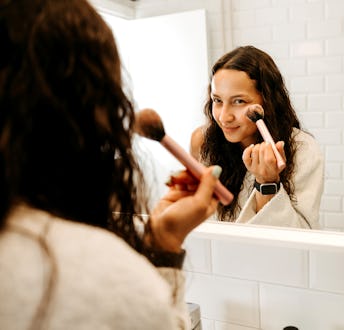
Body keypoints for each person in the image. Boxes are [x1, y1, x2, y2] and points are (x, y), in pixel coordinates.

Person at [0, 1, 220, 329]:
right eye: (217, 100)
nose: (227, 114)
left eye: (240, 101)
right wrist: (163, 253)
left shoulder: (294, 149)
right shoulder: (102, 277)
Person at [191, 46, 324, 229]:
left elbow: (301, 235)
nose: (224, 117)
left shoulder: (302, 149)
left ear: (267, 101)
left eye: (239, 101)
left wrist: (268, 183)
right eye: (218, 100)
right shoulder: (206, 143)